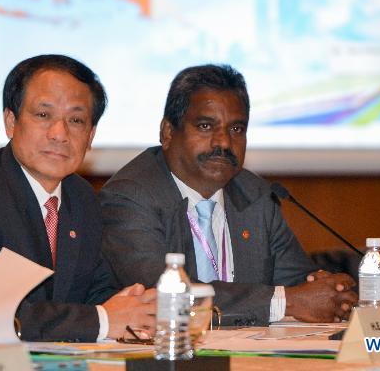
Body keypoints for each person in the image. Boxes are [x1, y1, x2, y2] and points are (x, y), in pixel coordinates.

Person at [0, 55, 155, 341]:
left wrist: (130, 306)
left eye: (76, 120)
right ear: (11, 121)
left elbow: (94, 289)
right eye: (43, 115)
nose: (59, 134)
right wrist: (103, 319)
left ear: (90, 136)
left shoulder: (81, 196)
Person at [100, 64, 357, 326]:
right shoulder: (130, 196)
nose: (223, 143)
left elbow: (299, 282)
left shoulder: (255, 194)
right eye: (205, 126)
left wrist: (331, 291)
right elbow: (164, 295)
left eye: (236, 129)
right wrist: (285, 302)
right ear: (167, 132)